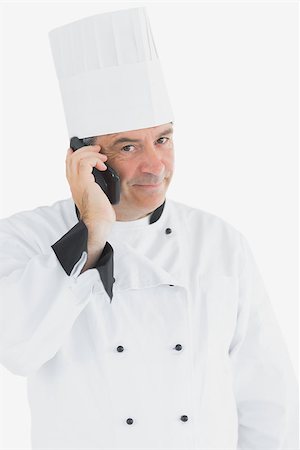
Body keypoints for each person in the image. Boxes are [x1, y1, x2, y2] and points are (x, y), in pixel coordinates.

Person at [0, 7, 298, 450]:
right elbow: (19, 350)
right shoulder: (26, 238)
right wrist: (92, 231)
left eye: (163, 138)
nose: (155, 164)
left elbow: (266, 395)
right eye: (128, 146)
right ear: (87, 159)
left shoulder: (218, 243)